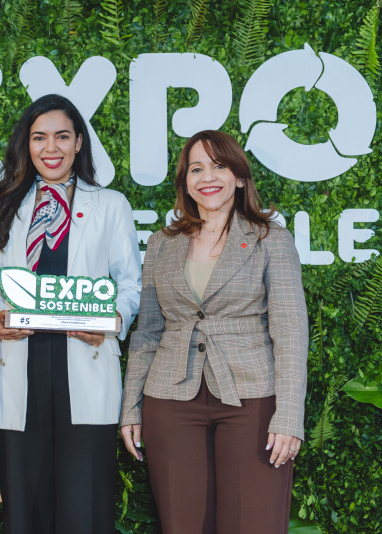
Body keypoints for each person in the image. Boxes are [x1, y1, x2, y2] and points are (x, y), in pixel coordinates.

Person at [120, 130, 308, 534]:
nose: (208, 176)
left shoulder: (269, 239)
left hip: (252, 401)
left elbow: (290, 331)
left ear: (239, 177)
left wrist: (289, 416)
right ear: (185, 181)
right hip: (170, 403)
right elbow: (148, 332)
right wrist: (131, 408)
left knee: (252, 524)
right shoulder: (160, 244)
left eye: (219, 166)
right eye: (196, 168)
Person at [0, 94, 142, 534]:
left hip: (84, 366)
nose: (50, 148)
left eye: (61, 137)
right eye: (39, 137)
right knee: (24, 513)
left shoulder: (110, 205)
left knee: (83, 512)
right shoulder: (3, 206)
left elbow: (130, 284)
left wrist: (111, 322)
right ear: (26, 146)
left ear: (78, 144)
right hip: (20, 367)